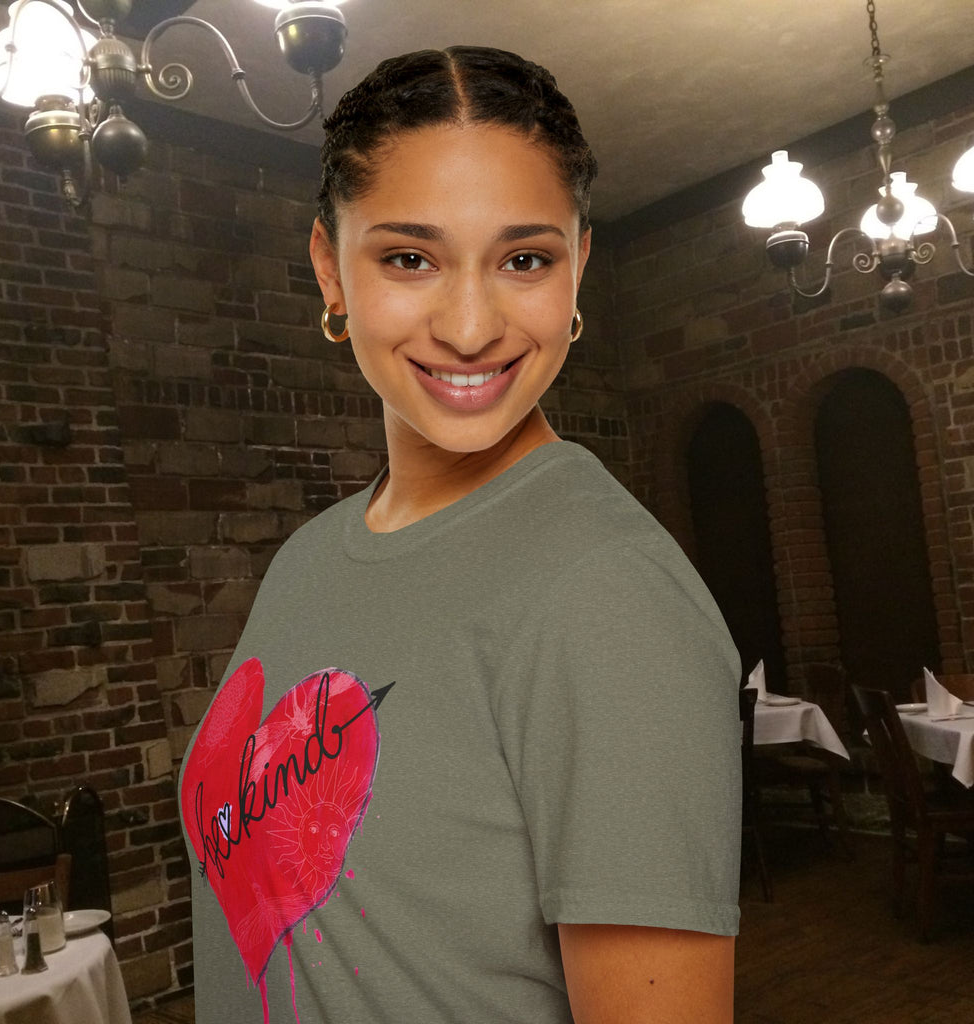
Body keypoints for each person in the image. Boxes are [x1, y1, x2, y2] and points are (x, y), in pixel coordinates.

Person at [180, 45, 741, 1024]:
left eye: (524, 259)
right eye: (409, 257)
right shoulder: (308, 558)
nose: (472, 325)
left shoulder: (607, 592)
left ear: (577, 273)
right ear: (330, 269)